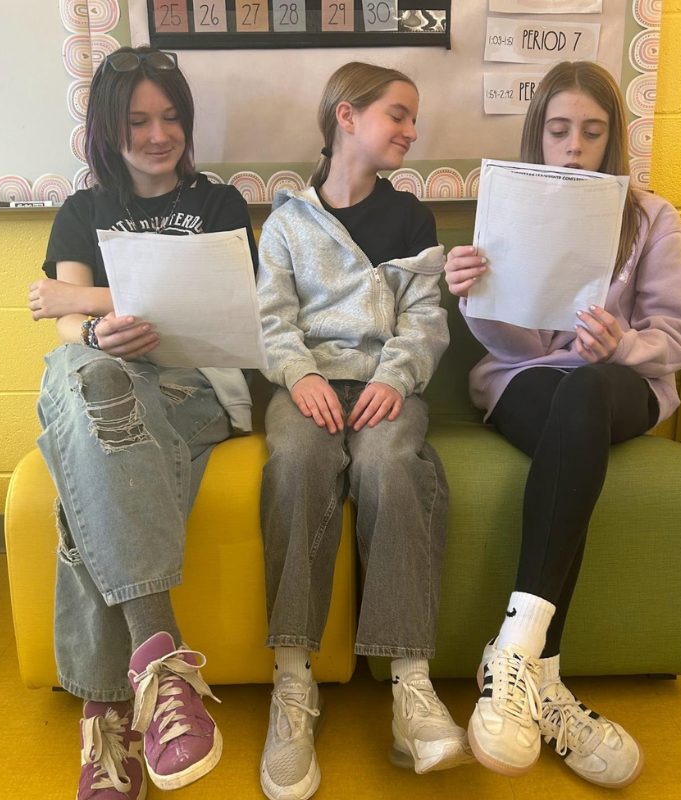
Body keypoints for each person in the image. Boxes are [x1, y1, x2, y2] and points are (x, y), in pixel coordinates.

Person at [444, 61, 681, 788]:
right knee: (569, 402)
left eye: (591, 132)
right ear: (539, 135)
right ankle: (542, 676)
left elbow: (675, 336)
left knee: (587, 390)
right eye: (559, 130)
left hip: (625, 385)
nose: (574, 146)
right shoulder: (509, 216)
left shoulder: (652, 218)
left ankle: (513, 647)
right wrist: (474, 296)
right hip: (525, 382)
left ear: (612, 140)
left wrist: (620, 346)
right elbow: (511, 348)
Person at [28, 46, 258, 799]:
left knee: (84, 468)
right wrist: (96, 330)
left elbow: (223, 310)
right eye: (138, 121)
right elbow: (66, 337)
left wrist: (84, 302)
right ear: (105, 129)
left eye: (171, 118)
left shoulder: (221, 205)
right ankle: (160, 664)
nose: (159, 134)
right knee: (89, 380)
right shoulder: (80, 212)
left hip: (194, 388)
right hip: (106, 381)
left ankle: (106, 716)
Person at [255, 61, 474, 800]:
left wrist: (392, 378)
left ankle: (411, 689)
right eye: (399, 115)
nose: (412, 131)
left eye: (414, 118)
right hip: (307, 387)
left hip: (387, 384)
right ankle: (293, 684)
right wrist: (301, 377)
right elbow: (273, 322)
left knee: (389, 462)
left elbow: (424, 319)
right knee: (294, 458)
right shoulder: (286, 222)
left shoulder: (411, 218)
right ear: (346, 116)